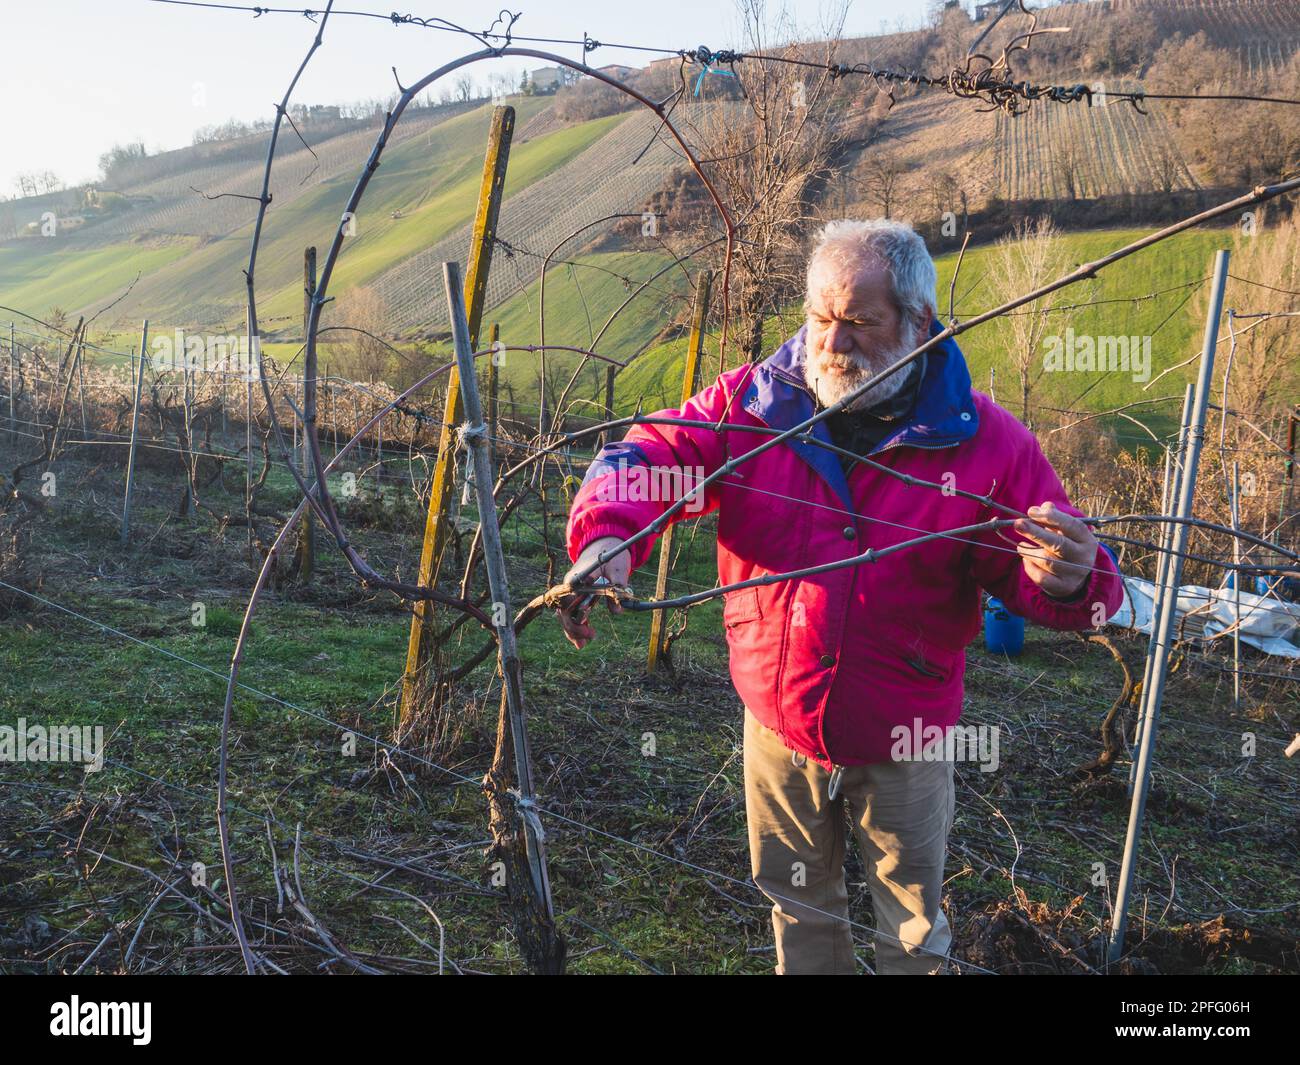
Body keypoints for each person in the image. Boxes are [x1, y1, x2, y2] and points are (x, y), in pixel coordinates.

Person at [558, 218, 1124, 974]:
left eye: (859, 322)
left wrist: (1075, 576)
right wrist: (608, 537)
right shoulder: (756, 406)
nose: (831, 341)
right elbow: (655, 451)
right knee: (800, 910)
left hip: (904, 738)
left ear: (919, 323)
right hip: (777, 726)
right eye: (820, 317)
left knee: (914, 928)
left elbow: (1060, 579)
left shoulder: (987, 444)